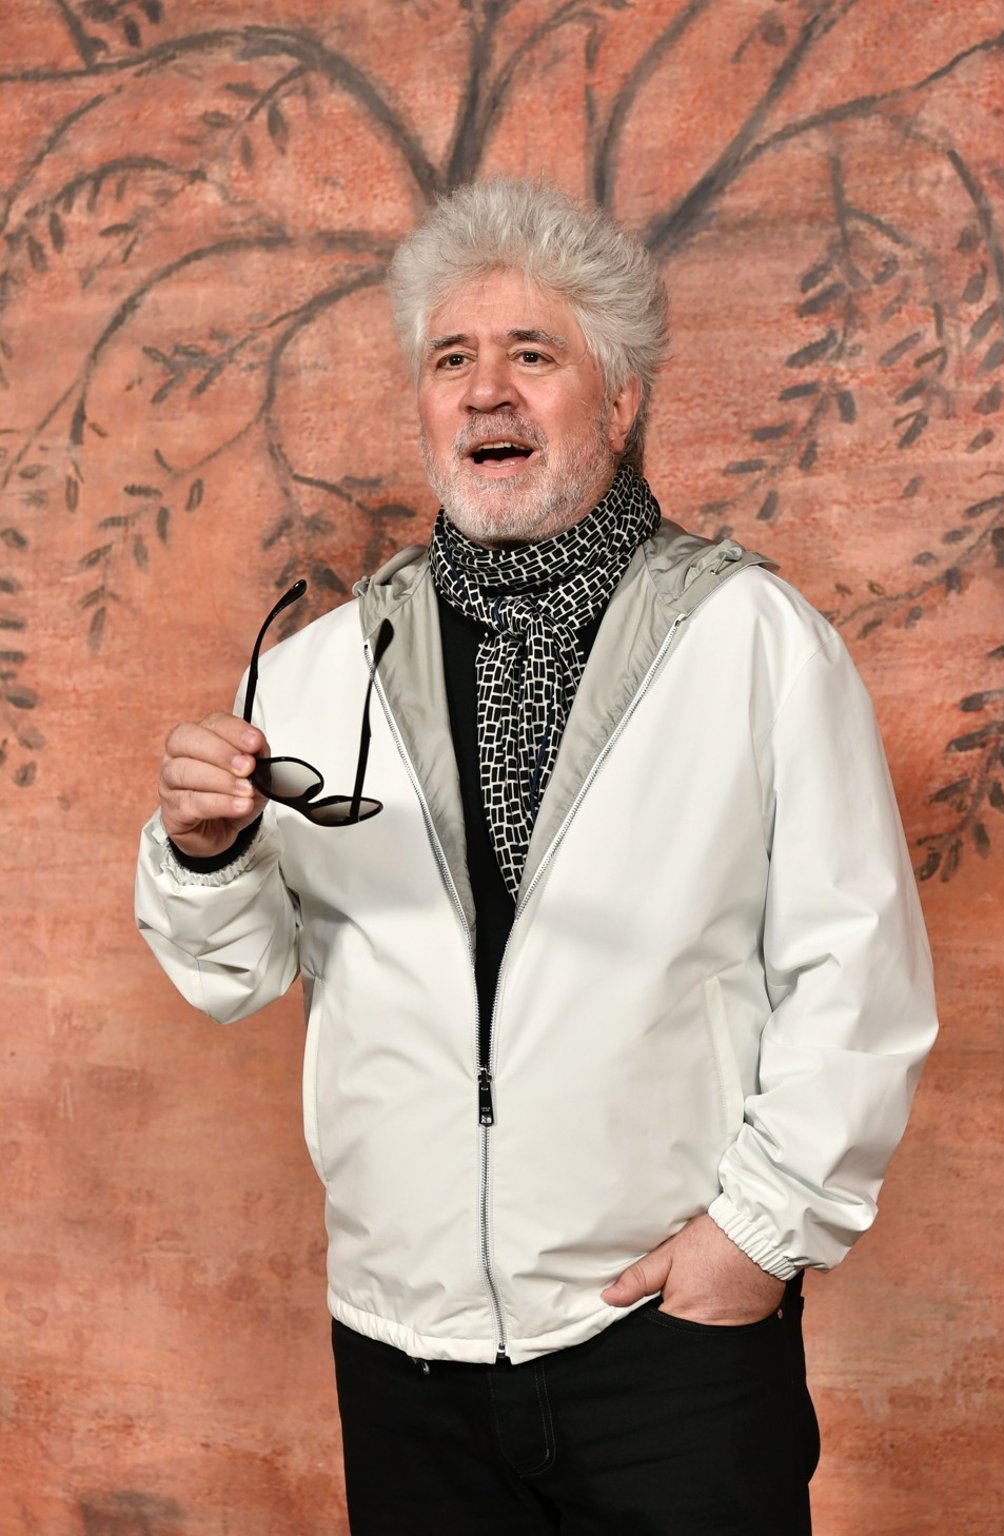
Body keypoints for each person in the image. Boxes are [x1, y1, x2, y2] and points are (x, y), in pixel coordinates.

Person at [136, 179, 938, 1534]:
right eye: (453, 359)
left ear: (615, 402)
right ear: (422, 400)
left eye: (533, 355)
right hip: (402, 1353)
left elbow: (856, 969)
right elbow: (234, 977)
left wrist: (758, 1240)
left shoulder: (750, 639)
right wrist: (202, 854)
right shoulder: (321, 669)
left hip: (671, 1350)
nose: (485, 393)